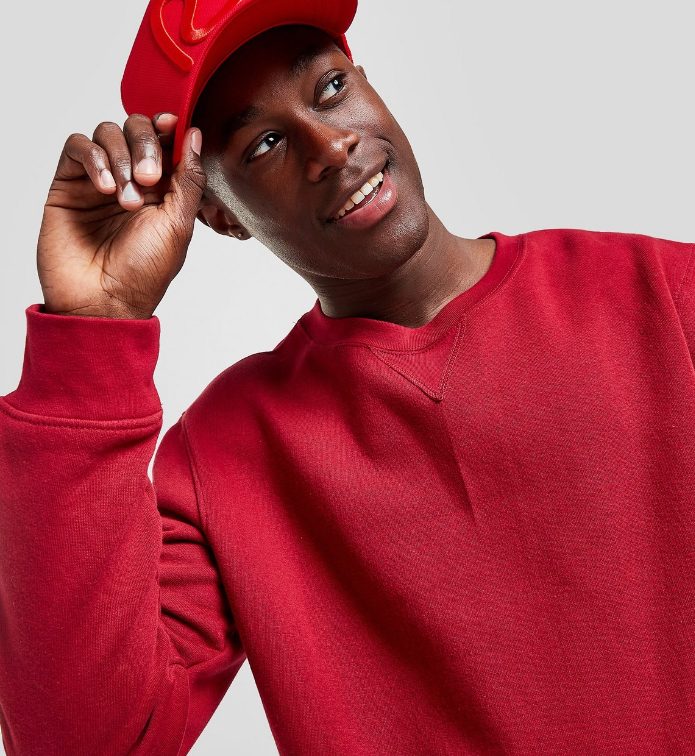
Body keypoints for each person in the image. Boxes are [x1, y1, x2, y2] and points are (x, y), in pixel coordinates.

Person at [0, 0, 693, 754]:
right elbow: (81, 740)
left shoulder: (663, 294)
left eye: (330, 89)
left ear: (368, 82)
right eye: (264, 144)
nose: (330, 146)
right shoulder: (228, 453)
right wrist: (93, 329)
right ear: (218, 213)